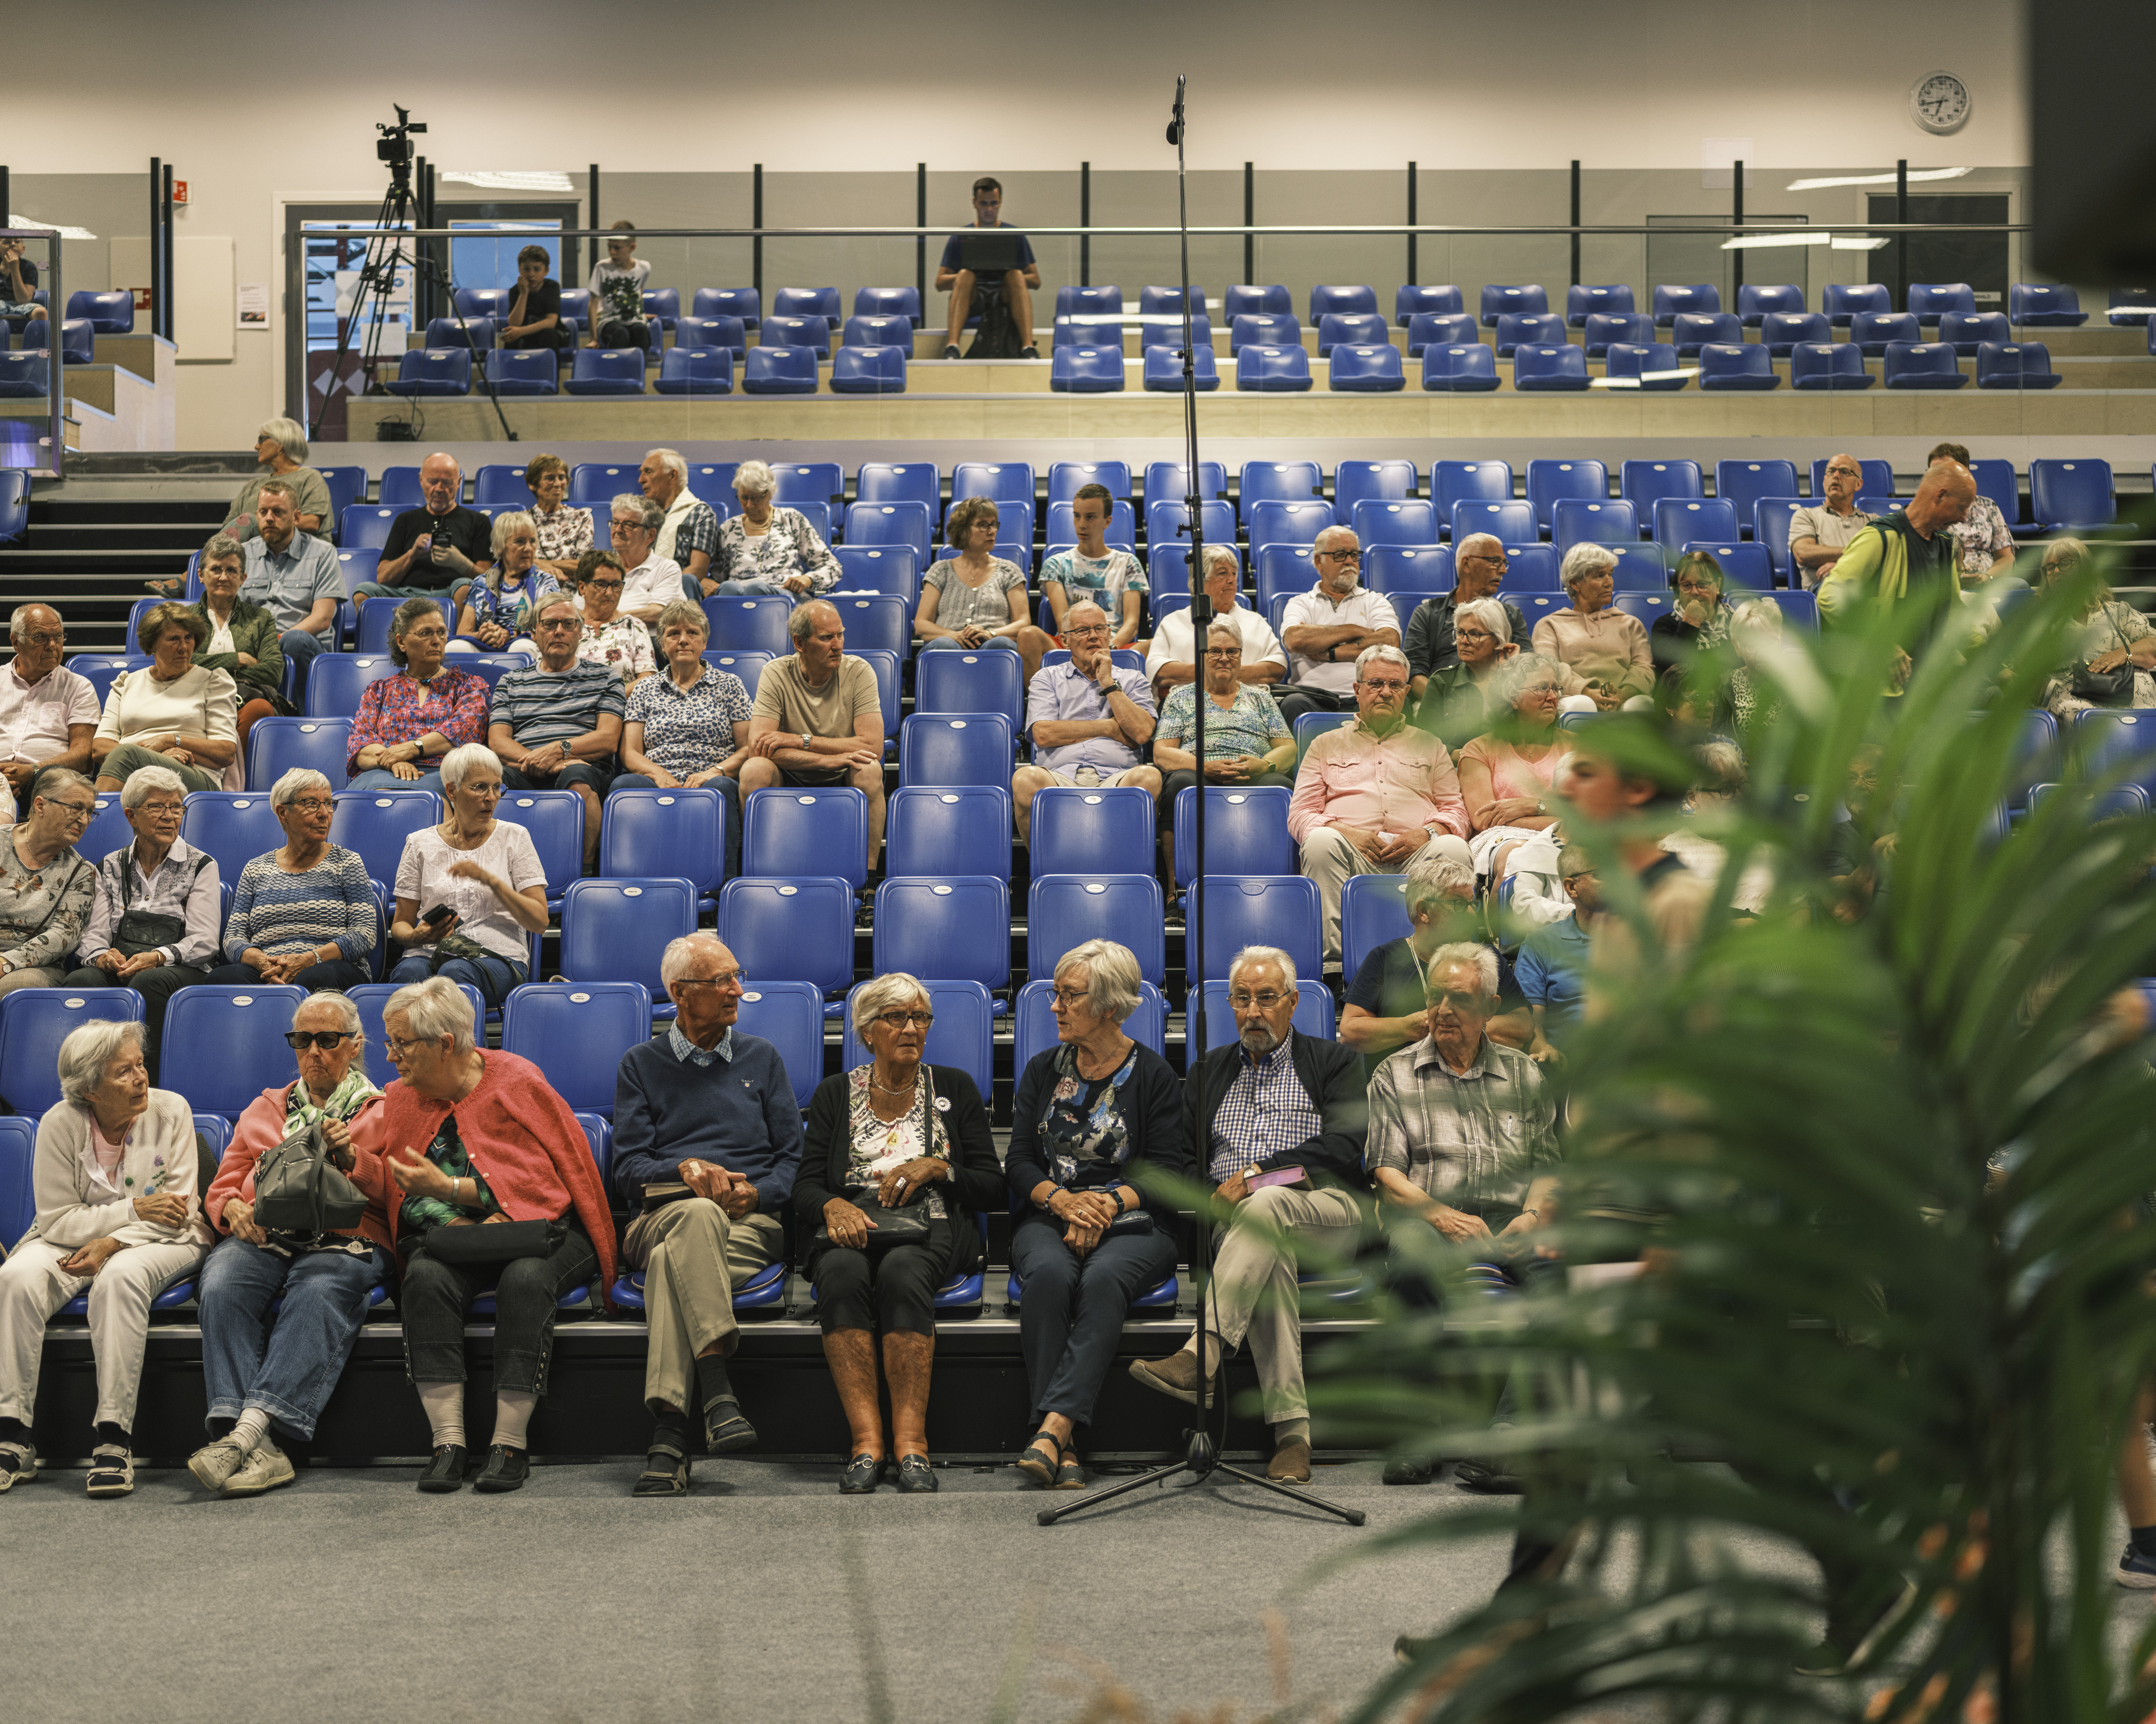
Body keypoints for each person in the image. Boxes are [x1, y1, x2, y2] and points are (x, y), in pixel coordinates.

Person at [1127, 945, 1367, 1485]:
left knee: (1267, 1201)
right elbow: (1187, 1161)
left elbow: (1346, 1145)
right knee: (1266, 1234)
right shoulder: (1207, 1072)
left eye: (1266, 998)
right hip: (1245, 1226)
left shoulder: (1334, 1061)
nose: (1253, 1011)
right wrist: (1217, 1192)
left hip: (1327, 1213)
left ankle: (1200, 1355)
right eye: (1242, 999)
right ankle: (1293, 1435)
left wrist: (1262, 1173)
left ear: (1293, 1001)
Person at [378, 975, 616, 1495]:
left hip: (548, 1232)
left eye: (402, 1044)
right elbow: (400, 1190)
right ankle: (449, 1441)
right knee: (425, 1275)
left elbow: (549, 1188)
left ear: (445, 1044)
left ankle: (510, 1442)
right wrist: (454, 1216)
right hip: (455, 1238)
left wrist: (458, 1189)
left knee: (526, 1277)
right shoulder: (402, 1098)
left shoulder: (515, 1080)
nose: (393, 1057)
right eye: (390, 1043)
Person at [796, 971, 1002, 1493]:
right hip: (852, 1224)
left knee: (902, 1269)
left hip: (932, 1223)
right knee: (841, 1274)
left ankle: (912, 1444)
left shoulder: (954, 1086)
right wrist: (832, 1203)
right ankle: (867, 1442)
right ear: (868, 1031)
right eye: (897, 1017)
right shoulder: (834, 1093)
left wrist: (941, 1169)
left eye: (920, 1016)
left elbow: (992, 1186)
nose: (912, 1027)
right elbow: (801, 1188)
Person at [612, 934, 804, 1495]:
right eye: (720, 981)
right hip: (659, 1216)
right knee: (693, 1218)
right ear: (679, 993)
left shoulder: (761, 1057)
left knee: (682, 1256)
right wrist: (685, 1170)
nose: (736, 990)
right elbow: (628, 1169)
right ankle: (717, 1387)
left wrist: (757, 1195)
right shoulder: (640, 1064)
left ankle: (671, 1433)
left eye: (735, 976)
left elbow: (792, 1160)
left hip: (748, 1225)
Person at [187, 992, 391, 1498]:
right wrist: (231, 1208)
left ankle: (249, 1435)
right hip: (266, 1233)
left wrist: (355, 1159)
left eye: (328, 1039)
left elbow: (400, 1197)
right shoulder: (266, 1107)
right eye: (303, 1040)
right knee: (222, 1279)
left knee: (319, 1285)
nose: (314, 1051)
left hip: (349, 1236)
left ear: (355, 1045)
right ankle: (250, 1445)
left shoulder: (382, 1111)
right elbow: (224, 1184)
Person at [1009, 939, 1191, 1488]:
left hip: (1135, 1219)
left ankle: (1054, 1428)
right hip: (1050, 1210)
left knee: (1105, 1277)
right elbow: (1018, 1159)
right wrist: (1062, 1201)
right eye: (1055, 994)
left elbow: (1165, 1170)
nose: (1055, 1006)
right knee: (1047, 1275)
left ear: (1109, 1005)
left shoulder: (1154, 1074)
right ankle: (1062, 1446)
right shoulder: (1044, 1069)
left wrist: (1105, 1206)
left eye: (1070, 995)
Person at [0, 1019, 208, 1497]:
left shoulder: (171, 1109)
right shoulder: (58, 1122)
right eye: (124, 1071)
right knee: (15, 1276)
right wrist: (131, 1209)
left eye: (140, 1064)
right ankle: (13, 1432)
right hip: (73, 1236)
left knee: (119, 1278)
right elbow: (55, 1222)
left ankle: (114, 1437)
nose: (141, 1078)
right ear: (89, 1088)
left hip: (164, 1239)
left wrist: (113, 1239)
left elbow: (177, 1211)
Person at [1288, 644, 1472, 965]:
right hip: (1351, 853)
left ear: (1405, 692)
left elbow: (1455, 810)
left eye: (1395, 685)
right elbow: (1301, 813)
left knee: (1454, 848)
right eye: (1375, 684)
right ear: (1357, 690)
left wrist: (1426, 833)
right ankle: (1334, 964)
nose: (1385, 692)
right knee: (1319, 840)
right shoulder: (1324, 744)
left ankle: (1449, 960)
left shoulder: (1430, 744)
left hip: (1417, 856)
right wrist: (1348, 834)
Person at [58, 766, 218, 1082]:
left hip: (179, 969)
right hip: (122, 963)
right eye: (157, 807)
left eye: (176, 808)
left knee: (150, 983)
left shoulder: (202, 865)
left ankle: (147, 1084)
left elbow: (205, 941)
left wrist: (158, 957)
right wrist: (102, 956)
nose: (170, 816)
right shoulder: (110, 865)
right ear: (131, 816)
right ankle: (88, 1081)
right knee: (84, 978)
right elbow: (94, 935)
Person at [387, 744, 548, 1007]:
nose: (492, 797)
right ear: (452, 791)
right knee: (408, 976)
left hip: (496, 956)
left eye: (497, 787)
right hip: (429, 952)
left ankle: (468, 1050)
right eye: (480, 787)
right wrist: (418, 937)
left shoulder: (514, 837)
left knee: (455, 974)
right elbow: (400, 926)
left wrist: (491, 881)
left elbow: (540, 921)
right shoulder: (419, 843)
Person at [1338, 851, 1533, 1063]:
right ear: (1424, 911)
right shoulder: (1385, 959)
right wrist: (1413, 1027)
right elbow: (1351, 1032)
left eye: (1472, 903)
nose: (1470, 914)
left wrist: (1463, 1023)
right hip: (1400, 1086)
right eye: (1459, 904)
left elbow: (1522, 1027)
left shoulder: (1485, 957)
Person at [740, 599, 885, 875]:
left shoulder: (859, 671)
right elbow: (758, 748)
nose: (838, 644)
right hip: (793, 772)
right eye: (826, 637)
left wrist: (798, 740)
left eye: (840, 634)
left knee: (869, 768)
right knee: (754, 769)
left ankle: (868, 878)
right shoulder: (776, 672)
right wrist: (825, 760)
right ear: (800, 643)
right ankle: (759, 871)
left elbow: (872, 746)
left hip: (845, 769)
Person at [488, 594, 626, 872]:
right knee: (488, 779)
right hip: (524, 768)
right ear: (535, 633)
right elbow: (498, 741)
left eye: (568, 624)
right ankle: (497, 872)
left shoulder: (606, 677)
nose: (559, 631)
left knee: (578, 779)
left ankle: (583, 873)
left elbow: (608, 740)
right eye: (550, 624)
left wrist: (557, 751)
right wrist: (542, 763)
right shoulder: (511, 681)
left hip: (583, 767)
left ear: (581, 632)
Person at [615, 600, 749, 881]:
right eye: (674, 634)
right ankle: (630, 880)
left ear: (704, 642)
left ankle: (722, 885)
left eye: (692, 633)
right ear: (662, 645)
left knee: (723, 788)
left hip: (712, 775)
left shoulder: (730, 685)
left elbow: (749, 747)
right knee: (624, 785)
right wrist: (658, 774)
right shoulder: (644, 689)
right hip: (656, 776)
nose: (683, 640)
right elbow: (630, 752)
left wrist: (714, 772)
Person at [207, 768, 375, 992]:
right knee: (219, 979)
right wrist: (265, 963)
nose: (325, 813)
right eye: (312, 804)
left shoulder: (347, 863)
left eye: (328, 803)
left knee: (316, 977)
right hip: (268, 969)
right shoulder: (256, 869)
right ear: (283, 813)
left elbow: (365, 933)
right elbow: (233, 939)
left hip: (333, 967)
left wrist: (310, 959)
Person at [1152, 621, 1297, 878]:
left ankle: (1277, 879)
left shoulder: (1261, 698)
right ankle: (1176, 887)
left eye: (1232, 652)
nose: (1224, 659)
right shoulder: (1181, 698)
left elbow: (1288, 747)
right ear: (1202, 656)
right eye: (1215, 652)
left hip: (1254, 774)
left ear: (1241, 656)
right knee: (1179, 784)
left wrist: (1263, 765)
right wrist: (1204, 766)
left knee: (1281, 786)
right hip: (1199, 772)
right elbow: (1162, 752)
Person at [1011, 601, 1162, 843]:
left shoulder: (1134, 679)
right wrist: (1110, 728)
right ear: (1064, 640)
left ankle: (1126, 870)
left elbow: (1143, 733)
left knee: (1150, 777)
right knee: (1024, 779)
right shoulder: (1047, 678)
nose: (1093, 636)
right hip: (1059, 776)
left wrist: (1108, 683)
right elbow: (1044, 734)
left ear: (1109, 634)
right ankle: (1045, 871)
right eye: (1082, 631)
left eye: (1100, 629)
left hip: (1119, 776)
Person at [1817, 459, 1978, 661]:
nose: (1964, 518)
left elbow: (1956, 613)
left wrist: (1996, 664)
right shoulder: (1880, 537)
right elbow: (1830, 597)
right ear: (1940, 496)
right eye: (1961, 507)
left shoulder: (1945, 546)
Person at [346, 598, 490, 795]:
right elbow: (360, 744)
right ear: (401, 642)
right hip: (382, 773)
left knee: (436, 799)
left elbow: (464, 732)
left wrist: (412, 749)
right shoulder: (378, 691)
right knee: (376, 796)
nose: (436, 640)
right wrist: (393, 761)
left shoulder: (469, 687)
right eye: (425, 633)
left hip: (445, 775)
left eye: (441, 632)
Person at [91, 602, 239, 794]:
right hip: (131, 770)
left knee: (124, 754)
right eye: (174, 639)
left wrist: (171, 740)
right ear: (152, 645)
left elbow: (225, 752)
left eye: (189, 638)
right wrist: (159, 753)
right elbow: (100, 748)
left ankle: (95, 820)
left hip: (195, 776)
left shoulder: (213, 682)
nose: (184, 647)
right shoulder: (126, 683)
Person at [1458, 653, 1570, 889]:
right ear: (1512, 696)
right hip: (1502, 840)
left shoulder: (1578, 746)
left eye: (1555, 688)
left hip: (1567, 835)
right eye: (1541, 688)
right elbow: (1485, 819)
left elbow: (1593, 810)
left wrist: (1534, 805)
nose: (1552, 697)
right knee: (1518, 853)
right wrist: (1562, 819)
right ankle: (1505, 927)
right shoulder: (1480, 749)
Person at [916, 495, 1053, 678]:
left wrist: (991, 633)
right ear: (963, 530)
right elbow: (922, 625)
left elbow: (1023, 622)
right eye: (983, 525)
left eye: (994, 524)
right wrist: (953, 635)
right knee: (944, 646)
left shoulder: (1008, 571)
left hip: (994, 642)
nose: (992, 531)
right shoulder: (941, 570)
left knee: (1000, 646)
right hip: (948, 643)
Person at [1277, 527, 1402, 724]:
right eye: (1340, 555)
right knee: (1293, 704)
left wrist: (1329, 654)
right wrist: (1354, 630)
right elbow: (1296, 640)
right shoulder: (1301, 603)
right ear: (1319, 561)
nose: (1350, 561)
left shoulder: (1375, 601)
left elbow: (1390, 642)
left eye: (1354, 555)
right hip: (1312, 697)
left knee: (1403, 703)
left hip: (1368, 695)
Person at [1145, 545, 1286, 705]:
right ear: (1200, 581)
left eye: (1234, 574)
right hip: (1189, 706)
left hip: (1249, 706)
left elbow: (1278, 668)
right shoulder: (1173, 622)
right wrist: (1221, 673)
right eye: (1222, 573)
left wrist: (1225, 674)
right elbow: (1159, 673)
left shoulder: (1256, 621)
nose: (1232, 580)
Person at [0, 770, 98, 997]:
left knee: (14, 986)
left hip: (35, 967)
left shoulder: (81, 873)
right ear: (41, 805)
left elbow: (64, 936)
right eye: (76, 807)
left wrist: (6, 962)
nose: (84, 819)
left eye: (90, 812)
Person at [2038, 537, 2156, 718]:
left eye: (2065, 563)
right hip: (2073, 699)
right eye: (2050, 567)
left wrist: (2121, 654)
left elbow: (2153, 648)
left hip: (2129, 692)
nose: (2056, 571)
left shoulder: (2120, 612)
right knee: (2071, 710)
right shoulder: (2043, 622)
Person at [236, 481, 344, 677]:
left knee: (294, 641)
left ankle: (296, 709)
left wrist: (276, 640)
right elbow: (235, 614)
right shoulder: (244, 554)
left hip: (305, 648)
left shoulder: (323, 553)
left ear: (296, 518)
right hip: (255, 643)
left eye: (278, 512)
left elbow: (323, 619)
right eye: (263, 512)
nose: (269, 519)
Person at [357, 452, 493, 606]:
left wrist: (462, 564)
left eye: (447, 483)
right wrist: (412, 554)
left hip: (452, 592)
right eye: (432, 482)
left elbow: (488, 579)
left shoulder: (478, 521)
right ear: (421, 480)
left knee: (465, 587)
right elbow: (383, 578)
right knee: (363, 592)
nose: (439, 489)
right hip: (409, 594)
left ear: (459, 482)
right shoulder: (405, 520)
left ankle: (460, 631)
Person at [0, 603, 97, 817]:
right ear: (16, 642)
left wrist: (34, 770)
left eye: (59, 637)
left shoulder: (78, 687)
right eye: (41, 637)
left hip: (49, 782)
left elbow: (84, 756)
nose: (53, 645)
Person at [191, 535, 284, 753]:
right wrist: (236, 660)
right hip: (195, 701)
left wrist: (211, 671)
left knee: (261, 708)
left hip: (240, 703)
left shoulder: (261, 619)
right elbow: (181, 664)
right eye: (216, 569)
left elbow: (273, 672)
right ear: (201, 576)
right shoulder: (184, 618)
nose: (224, 577)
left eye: (232, 571)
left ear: (243, 578)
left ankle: (231, 774)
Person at [1404, 534, 1527, 699]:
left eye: (1504, 563)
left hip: (1498, 701)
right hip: (1438, 704)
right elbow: (1414, 672)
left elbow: (1530, 669)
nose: (1503, 570)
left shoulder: (1511, 615)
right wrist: (1448, 703)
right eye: (1495, 561)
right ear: (1467, 564)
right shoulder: (1428, 614)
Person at [1534, 544, 1654, 711]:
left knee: (1643, 704)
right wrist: (1586, 692)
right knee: (1583, 705)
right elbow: (1549, 669)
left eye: (1610, 574)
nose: (1609, 583)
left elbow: (1644, 668)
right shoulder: (1550, 625)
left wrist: (1622, 695)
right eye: (1599, 576)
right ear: (1575, 584)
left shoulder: (1631, 624)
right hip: (1574, 698)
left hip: (1623, 699)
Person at [936, 176, 1040, 360]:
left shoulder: (1013, 235)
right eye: (984, 204)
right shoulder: (961, 237)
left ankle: (1028, 347)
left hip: (1005, 298)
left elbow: (1035, 280)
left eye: (994, 203)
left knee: (1015, 275)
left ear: (1000, 203)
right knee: (965, 275)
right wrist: (965, 276)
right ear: (975, 203)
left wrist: (1005, 274)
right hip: (974, 299)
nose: (989, 209)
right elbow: (940, 283)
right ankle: (952, 346)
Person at [707, 460, 842, 596]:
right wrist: (707, 582)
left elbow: (833, 567)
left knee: (756, 589)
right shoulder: (728, 529)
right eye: (744, 498)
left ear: (770, 494)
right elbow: (717, 578)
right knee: (728, 588)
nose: (749, 505)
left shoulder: (791, 520)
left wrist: (808, 579)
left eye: (755, 498)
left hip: (784, 597)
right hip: (739, 598)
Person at [1040, 484, 1148, 648]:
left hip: (1112, 643)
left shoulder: (1128, 563)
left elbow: (1132, 624)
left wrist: (1109, 647)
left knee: (1156, 646)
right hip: (1071, 644)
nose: (1082, 524)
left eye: (1090, 517)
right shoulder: (1056, 564)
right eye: (1077, 516)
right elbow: (1063, 622)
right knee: (1029, 635)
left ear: (1107, 521)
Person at [1515, 846, 1598, 1059]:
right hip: (1569, 1065)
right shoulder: (1541, 944)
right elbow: (1532, 1028)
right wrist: (1545, 1050)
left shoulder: (1644, 935)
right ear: (1572, 888)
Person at [450, 512, 557, 665]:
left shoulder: (546, 582)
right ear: (500, 547)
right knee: (455, 648)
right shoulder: (481, 582)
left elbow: (550, 628)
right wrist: (485, 635)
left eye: (533, 541)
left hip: (525, 643)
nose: (528, 548)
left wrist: (510, 634)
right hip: (485, 645)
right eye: (520, 542)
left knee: (521, 647)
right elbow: (463, 632)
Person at [219, 417, 330, 543]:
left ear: (281, 444)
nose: (256, 447)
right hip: (252, 557)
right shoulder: (251, 486)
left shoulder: (310, 478)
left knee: (249, 521)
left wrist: (260, 524)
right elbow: (230, 529)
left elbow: (312, 523)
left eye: (262, 440)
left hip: (300, 554)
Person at [1927, 442, 2016, 586]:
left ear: (1965, 472)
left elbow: (2006, 558)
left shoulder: (1988, 506)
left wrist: (1987, 578)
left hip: (1987, 584)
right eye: (1933, 472)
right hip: (1941, 585)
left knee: (2020, 587)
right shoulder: (1927, 510)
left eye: (1944, 471)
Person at [1788, 453, 1875, 591]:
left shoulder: (1873, 521)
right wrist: (1856, 554)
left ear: (1858, 484)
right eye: (1831, 471)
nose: (1836, 476)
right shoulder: (1806, 515)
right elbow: (1804, 553)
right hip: (1825, 589)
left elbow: (1884, 558)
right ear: (1824, 480)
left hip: (1864, 586)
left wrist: (1843, 568)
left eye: (1845, 472)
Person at [571, 550, 658, 686]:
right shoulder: (567, 624)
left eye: (617, 585)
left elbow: (647, 679)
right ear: (582, 588)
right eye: (601, 584)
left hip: (621, 704)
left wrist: (613, 698)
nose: (610, 593)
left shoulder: (633, 626)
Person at [640, 448, 720, 591]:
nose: (641, 480)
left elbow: (698, 569)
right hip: (638, 588)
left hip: (676, 594)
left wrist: (659, 589)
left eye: (648, 472)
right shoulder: (640, 515)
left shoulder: (701, 514)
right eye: (641, 473)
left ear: (672, 476)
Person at [609, 492, 688, 623]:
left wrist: (611, 620)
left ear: (650, 536)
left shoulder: (666, 568)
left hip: (648, 641)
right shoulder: (602, 568)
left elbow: (657, 613)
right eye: (615, 522)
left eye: (628, 525)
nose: (618, 530)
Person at [523, 453, 594, 580]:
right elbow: (515, 563)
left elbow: (585, 568)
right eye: (550, 478)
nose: (558, 484)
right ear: (532, 485)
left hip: (572, 592)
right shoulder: (522, 520)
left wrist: (540, 563)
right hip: (532, 589)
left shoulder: (582, 517)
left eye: (562, 478)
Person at [587, 220, 652, 350]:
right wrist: (593, 339)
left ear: (632, 248)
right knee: (621, 335)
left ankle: (638, 370)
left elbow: (639, 290)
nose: (612, 252)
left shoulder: (644, 268)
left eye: (617, 248)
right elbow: (593, 303)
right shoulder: (602, 268)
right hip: (609, 321)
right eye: (609, 247)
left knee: (642, 333)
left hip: (634, 319)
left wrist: (640, 312)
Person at [498, 244, 569, 352]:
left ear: (546, 271)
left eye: (537, 269)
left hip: (554, 332)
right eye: (526, 269)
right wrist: (523, 294)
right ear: (520, 270)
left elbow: (551, 322)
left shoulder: (552, 287)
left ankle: (550, 369)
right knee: (512, 338)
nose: (531, 274)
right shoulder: (515, 291)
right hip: (528, 334)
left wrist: (521, 331)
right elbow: (515, 324)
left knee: (548, 335)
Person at [0, 236, 47, 331]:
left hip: (22, 305)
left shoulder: (29, 267)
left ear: (23, 249)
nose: (13, 244)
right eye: (7, 242)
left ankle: (38, 345)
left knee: (41, 312)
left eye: (17, 242)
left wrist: (15, 269)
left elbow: (24, 300)